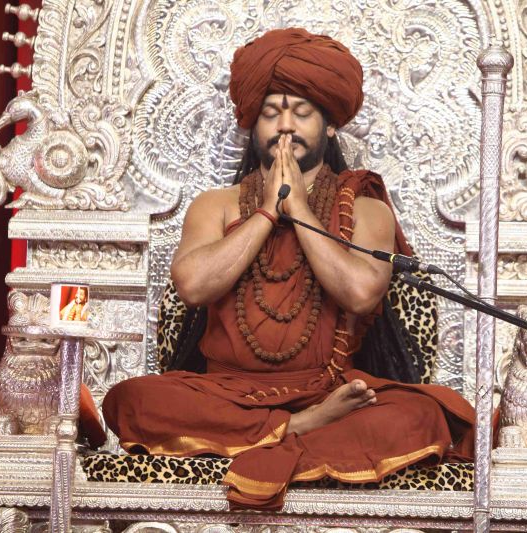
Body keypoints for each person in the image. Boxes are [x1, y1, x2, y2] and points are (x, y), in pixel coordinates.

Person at [102, 27, 475, 510]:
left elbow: (362, 293)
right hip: (225, 395)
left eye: (301, 112)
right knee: (132, 399)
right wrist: (265, 212)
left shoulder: (365, 208)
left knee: (421, 414)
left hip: (331, 391)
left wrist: (298, 208)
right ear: (252, 124)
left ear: (330, 126)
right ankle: (297, 430)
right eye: (271, 112)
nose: (285, 125)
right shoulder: (217, 204)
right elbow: (192, 286)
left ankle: (265, 440)